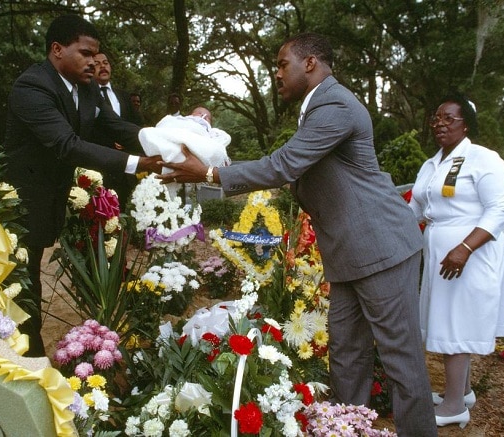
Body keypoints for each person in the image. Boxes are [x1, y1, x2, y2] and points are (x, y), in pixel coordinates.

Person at [161, 32, 437, 436]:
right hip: (349, 254)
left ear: (310, 63)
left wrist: (209, 173)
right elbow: (293, 170)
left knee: (402, 363)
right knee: (346, 357)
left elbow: (284, 165)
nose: (276, 73)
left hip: (382, 248)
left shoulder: (336, 104)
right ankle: (347, 430)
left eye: (281, 64)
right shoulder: (315, 110)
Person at [4, 14, 161, 356]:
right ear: (57, 50)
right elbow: (67, 144)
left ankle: (99, 340)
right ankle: (30, 358)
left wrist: (167, 142)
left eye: (96, 54)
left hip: (61, 194)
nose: (93, 62)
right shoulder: (32, 86)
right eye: (86, 53)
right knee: (24, 283)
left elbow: (117, 127)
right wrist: (138, 164)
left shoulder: (87, 89)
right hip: (22, 202)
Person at [409, 93, 504, 428]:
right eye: (436, 118)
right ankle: (462, 391)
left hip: (470, 253)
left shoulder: (484, 159)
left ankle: (453, 406)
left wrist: (465, 248)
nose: (440, 123)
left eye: (449, 118)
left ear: (466, 124)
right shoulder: (432, 164)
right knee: (444, 320)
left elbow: (499, 208)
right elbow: (414, 210)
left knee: (456, 324)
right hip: (441, 252)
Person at [139, 106, 231, 199]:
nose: (203, 116)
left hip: (196, 149)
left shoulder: (210, 130)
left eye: (208, 117)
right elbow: (168, 125)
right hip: (178, 138)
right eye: (199, 113)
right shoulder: (184, 121)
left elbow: (216, 142)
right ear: (190, 115)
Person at [93, 51, 146, 201]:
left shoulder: (124, 96)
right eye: (97, 64)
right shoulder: (87, 96)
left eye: (105, 63)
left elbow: (138, 123)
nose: (102, 67)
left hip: (125, 165)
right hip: (99, 164)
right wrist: (112, 141)